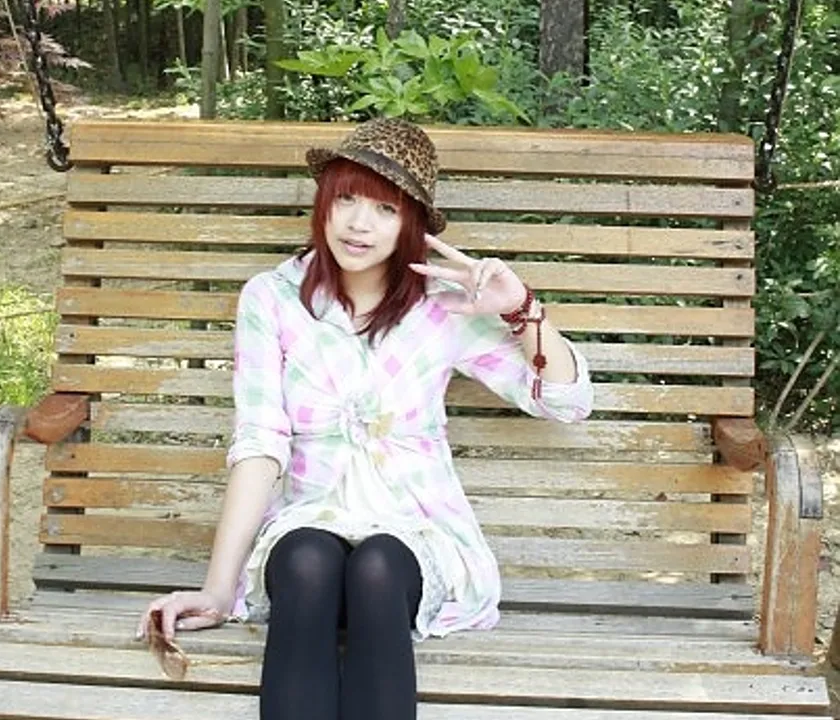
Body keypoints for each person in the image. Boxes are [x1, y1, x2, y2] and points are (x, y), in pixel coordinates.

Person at [137, 117, 594, 720]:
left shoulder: (444, 308)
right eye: (346, 199)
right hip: (309, 521)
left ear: (410, 224)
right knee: (307, 559)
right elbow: (260, 442)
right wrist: (218, 590)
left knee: (376, 565)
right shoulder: (272, 299)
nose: (359, 223)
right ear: (324, 202)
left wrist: (521, 311)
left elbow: (565, 401)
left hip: (413, 534)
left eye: (384, 208)